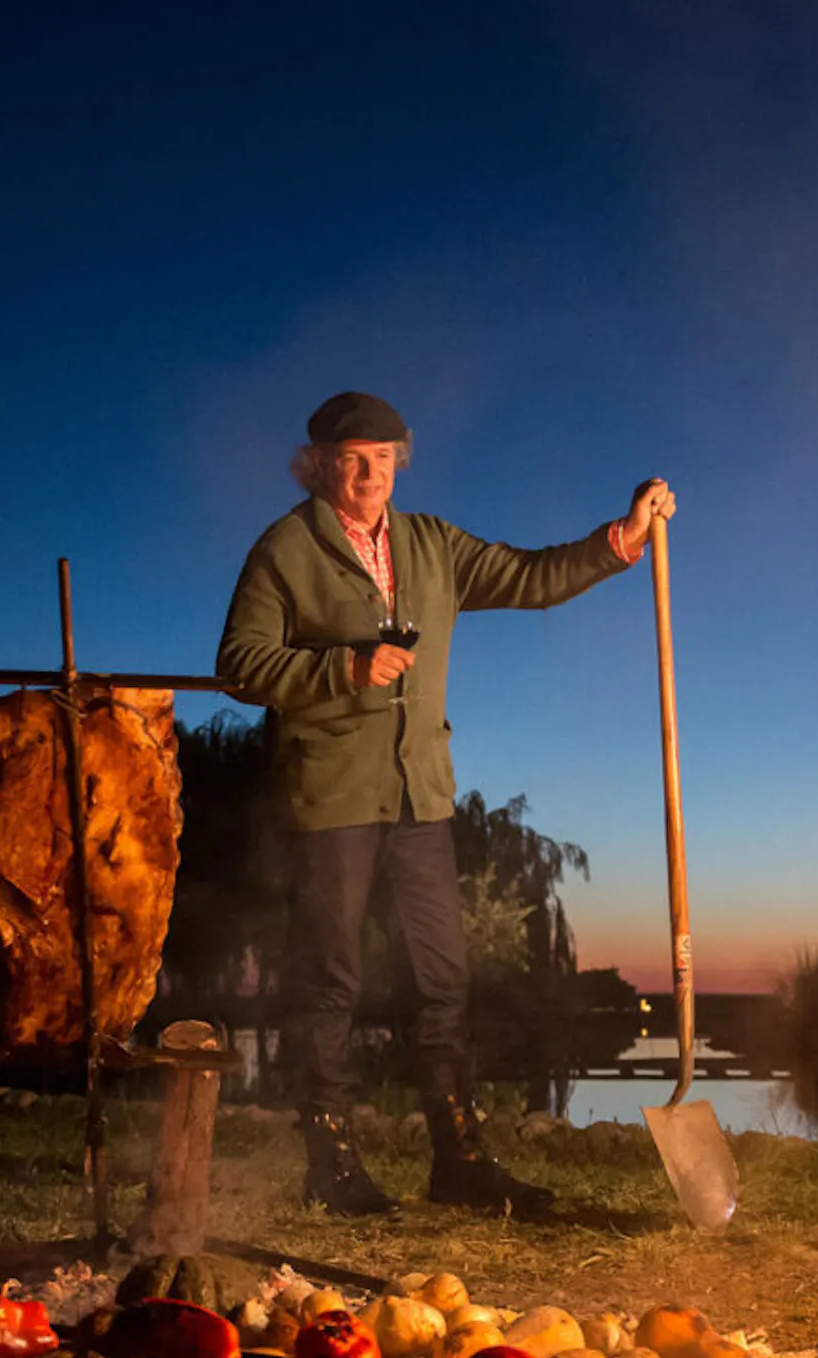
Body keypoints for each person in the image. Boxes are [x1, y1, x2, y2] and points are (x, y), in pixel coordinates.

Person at [216, 391, 674, 1216]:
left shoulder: (431, 544)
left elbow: (531, 576)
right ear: (320, 465)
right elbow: (242, 665)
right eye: (351, 459)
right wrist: (344, 670)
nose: (367, 474)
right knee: (328, 983)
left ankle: (458, 1160)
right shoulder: (285, 549)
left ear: (399, 462)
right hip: (331, 799)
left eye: (382, 458)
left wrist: (624, 537)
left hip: (420, 797)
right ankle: (332, 1166)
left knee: (442, 981)